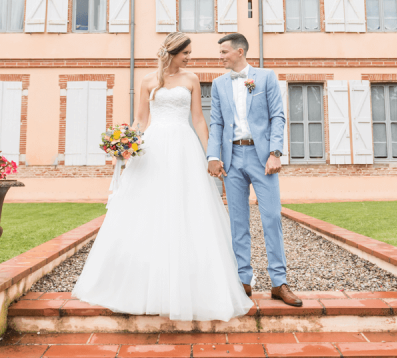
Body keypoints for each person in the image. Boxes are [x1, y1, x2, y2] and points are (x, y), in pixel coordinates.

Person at [72, 32, 253, 321]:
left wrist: (211, 156)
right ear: (172, 52)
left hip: (184, 147)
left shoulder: (191, 79)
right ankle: (140, 283)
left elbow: (198, 119)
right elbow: (141, 120)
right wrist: (125, 145)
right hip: (153, 148)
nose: (189, 58)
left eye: (190, 54)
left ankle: (190, 284)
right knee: (147, 211)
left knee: (188, 211)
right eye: (186, 53)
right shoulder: (147, 81)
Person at [207, 33, 302, 307]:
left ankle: (278, 283)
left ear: (240, 51)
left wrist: (275, 153)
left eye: (224, 52)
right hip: (232, 158)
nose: (221, 56)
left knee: (271, 218)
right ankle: (242, 282)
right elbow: (216, 124)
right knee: (238, 222)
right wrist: (214, 155)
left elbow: (277, 116)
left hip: (262, 158)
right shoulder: (218, 84)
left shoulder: (266, 77)